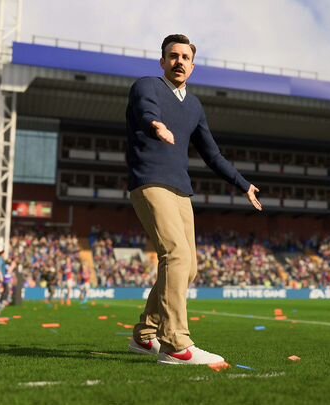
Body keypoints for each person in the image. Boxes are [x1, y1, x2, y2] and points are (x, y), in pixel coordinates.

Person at [125, 34, 262, 366]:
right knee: (175, 254)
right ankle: (175, 343)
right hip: (150, 182)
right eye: (173, 56)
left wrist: (243, 184)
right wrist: (156, 125)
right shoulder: (147, 85)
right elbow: (145, 109)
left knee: (189, 267)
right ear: (162, 61)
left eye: (185, 57)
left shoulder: (195, 105)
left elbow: (212, 154)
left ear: (193, 66)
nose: (179, 62)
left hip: (181, 190)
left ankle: (145, 334)